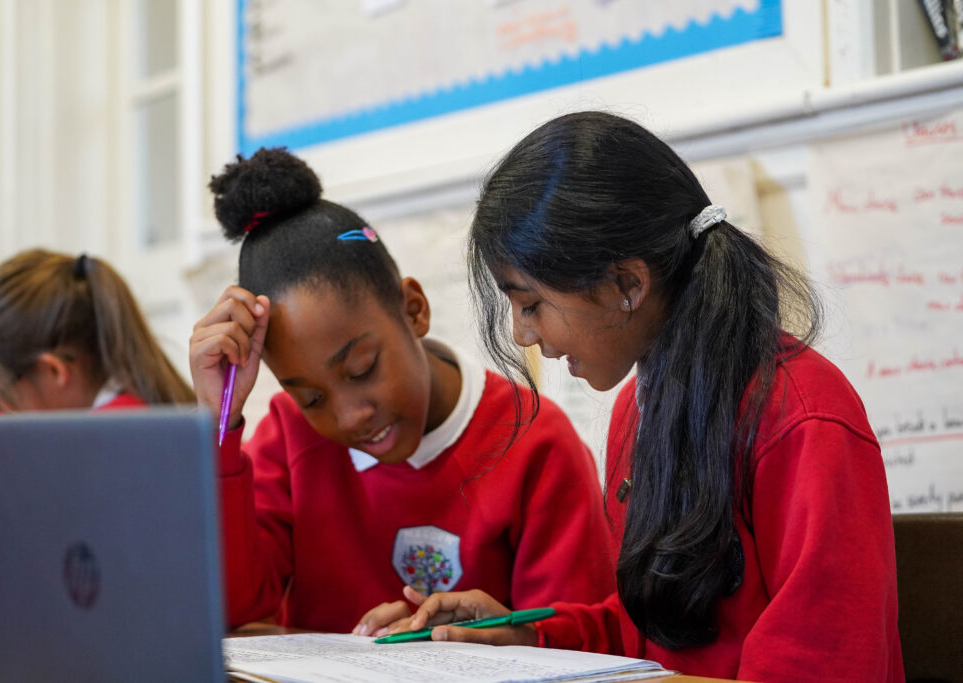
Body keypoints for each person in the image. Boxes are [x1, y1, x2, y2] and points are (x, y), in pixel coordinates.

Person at [367, 112, 904, 682]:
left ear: (627, 284)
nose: (524, 335)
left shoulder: (801, 417)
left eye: (530, 305)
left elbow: (827, 660)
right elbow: (655, 630)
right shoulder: (638, 409)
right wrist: (530, 634)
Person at [189, 147, 616, 634]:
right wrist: (218, 420)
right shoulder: (286, 437)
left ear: (413, 309)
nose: (349, 416)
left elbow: (578, 646)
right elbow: (230, 610)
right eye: (311, 398)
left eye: (362, 368)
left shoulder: (534, 446)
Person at [0, 249, 195, 540]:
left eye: (3, 399)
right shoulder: (129, 413)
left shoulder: (103, 445)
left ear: (54, 372)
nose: (5, 412)